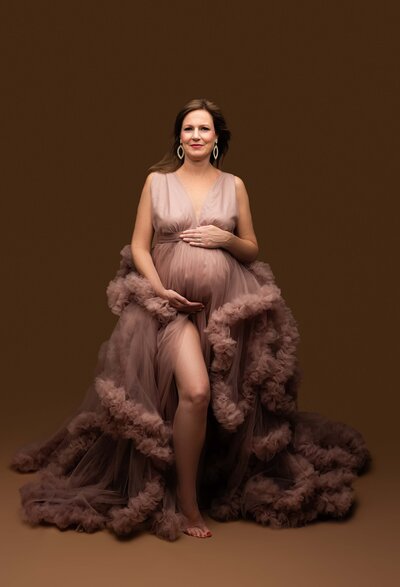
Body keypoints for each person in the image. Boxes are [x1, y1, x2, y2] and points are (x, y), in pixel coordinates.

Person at [11, 98, 371, 541]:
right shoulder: (157, 183)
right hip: (170, 309)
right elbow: (140, 245)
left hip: (224, 309)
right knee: (196, 392)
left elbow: (252, 248)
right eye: (188, 129)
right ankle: (187, 501)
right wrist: (160, 289)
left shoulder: (234, 185)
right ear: (179, 139)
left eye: (204, 129)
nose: (196, 136)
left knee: (226, 404)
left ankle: (202, 482)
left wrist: (226, 237)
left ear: (216, 138)